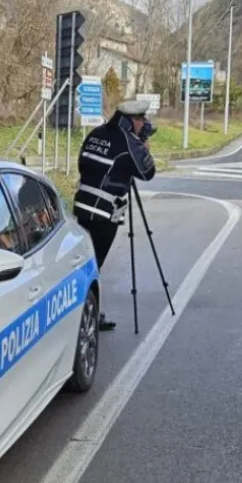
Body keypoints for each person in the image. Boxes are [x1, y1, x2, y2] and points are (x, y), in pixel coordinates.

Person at [72, 98, 156, 332]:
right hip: (104, 212)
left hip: (82, 205)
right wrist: (143, 146)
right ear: (132, 120)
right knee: (94, 265)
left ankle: (82, 313)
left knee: (84, 261)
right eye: (141, 119)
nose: (144, 123)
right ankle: (87, 316)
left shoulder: (97, 133)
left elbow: (82, 163)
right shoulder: (129, 142)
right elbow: (147, 172)